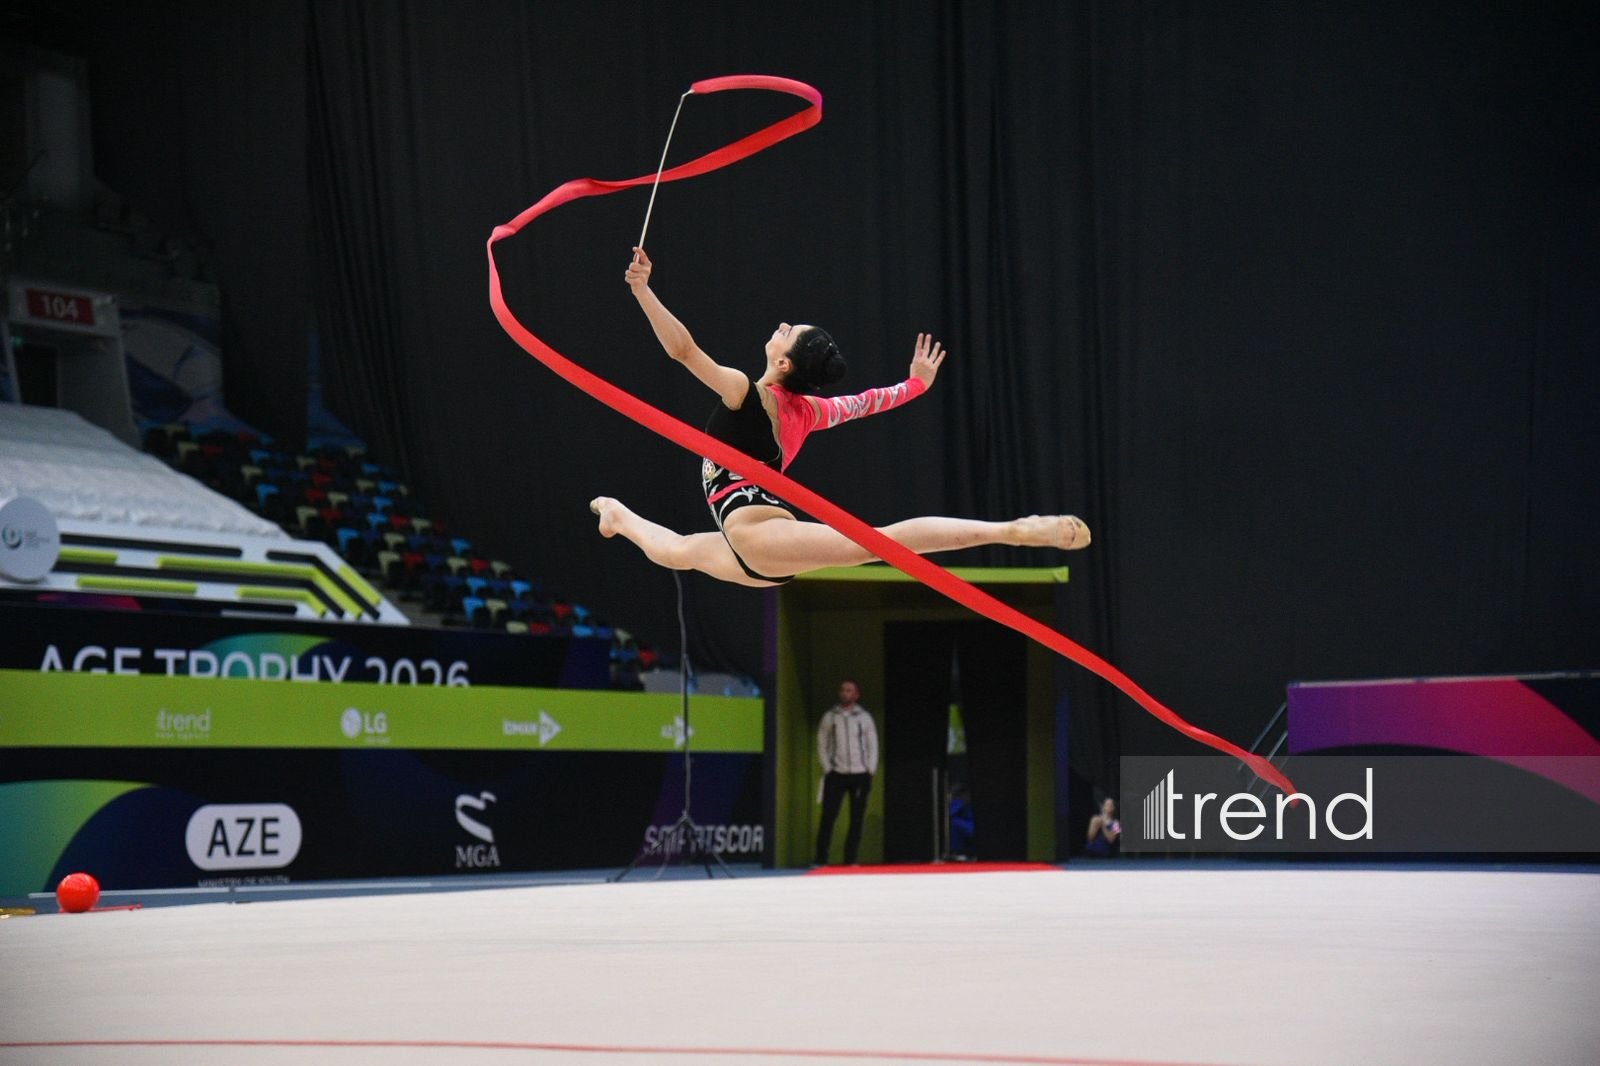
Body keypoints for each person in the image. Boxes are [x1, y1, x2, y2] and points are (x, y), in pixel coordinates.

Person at [588, 247, 1092, 586]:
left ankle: (1013, 529)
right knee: (676, 551)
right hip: (757, 549)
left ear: (784, 364)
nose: (781, 325)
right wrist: (916, 384)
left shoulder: (743, 391)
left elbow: (683, 351)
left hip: (758, 533)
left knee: (875, 543)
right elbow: (871, 400)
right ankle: (619, 517)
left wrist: (643, 290)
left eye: (788, 332)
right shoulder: (811, 412)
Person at [814, 680, 878, 866]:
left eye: (849, 690)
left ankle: (851, 858)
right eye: (842, 690)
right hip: (836, 773)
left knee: (857, 819)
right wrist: (827, 768)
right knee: (828, 817)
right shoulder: (830, 717)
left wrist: (870, 769)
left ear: (856, 695)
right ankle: (821, 858)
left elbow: (873, 744)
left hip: (860, 774)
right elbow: (822, 743)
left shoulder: (864, 717)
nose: (845, 693)